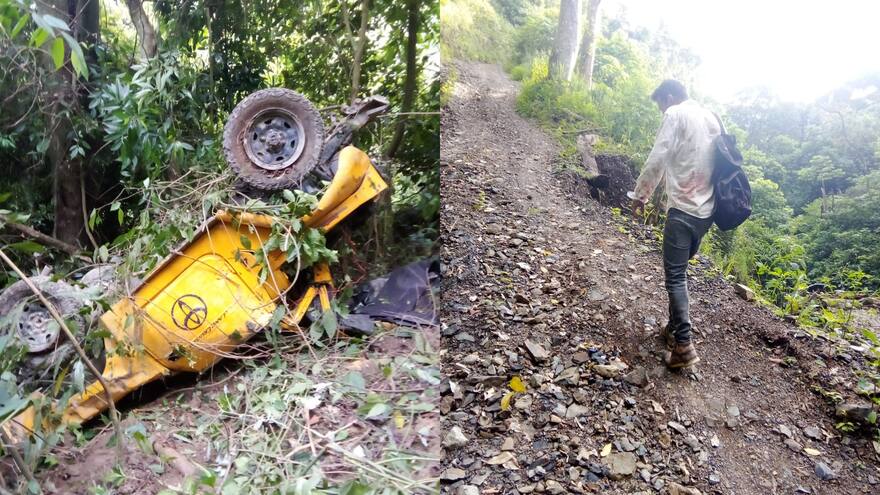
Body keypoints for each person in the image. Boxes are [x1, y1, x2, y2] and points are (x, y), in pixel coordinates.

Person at [630, 79, 720, 369]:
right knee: (680, 271)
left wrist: (641, 194)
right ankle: (672, 330)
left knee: (675, 277)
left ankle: (684, 345)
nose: (661, 111)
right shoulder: (711, 118)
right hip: (706, 212)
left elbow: (659, 157)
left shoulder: (675, 114)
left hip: (682, 208)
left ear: (669, 98)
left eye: (660, 105)